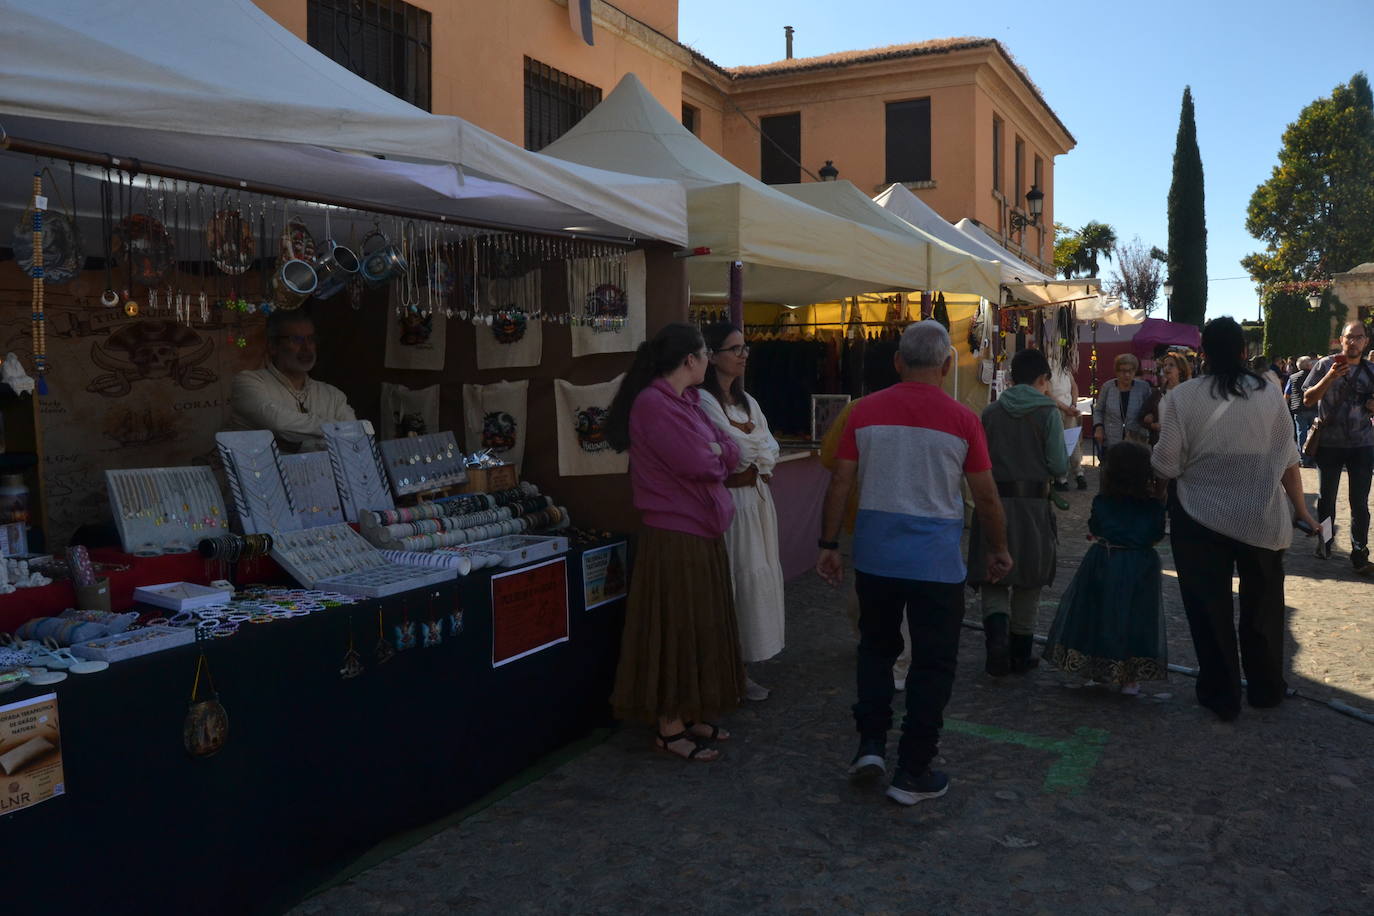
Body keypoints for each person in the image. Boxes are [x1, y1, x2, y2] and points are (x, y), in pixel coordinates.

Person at [817, 321, 1012, 806]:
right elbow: (986, 497)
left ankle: (870, 745)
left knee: (876, 651)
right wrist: (998, 548)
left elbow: (840, 482)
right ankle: (913, 768)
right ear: (947, 365)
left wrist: (827, 544)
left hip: (877, 556)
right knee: (933, 663)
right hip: (935, 563)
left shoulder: (862, 412)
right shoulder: (965, 419)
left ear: (898, 361)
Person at [1152, 317, 1318, 721]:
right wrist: (1302, 511)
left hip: (1198, 515)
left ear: (1203, 353)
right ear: (1244, 351)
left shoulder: (1181, 398)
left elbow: (1167, 465)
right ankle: (1266, 688)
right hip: (1260, 514)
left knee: (1209, 608)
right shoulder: (1269, 393)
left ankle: (1220, 691)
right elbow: (1288, 460)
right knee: (1263, 606)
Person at [605, 323, 746, 762]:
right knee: (675, 626)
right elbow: (697, 460)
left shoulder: (687, 402)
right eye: (706, 354)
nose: (710, 361)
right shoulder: (653, 405)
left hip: (699, 529)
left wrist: (717, 450)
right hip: (674, 534)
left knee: (699, 623)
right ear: (691, 359)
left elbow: (731, 449)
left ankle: (690, 710)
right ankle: (668, 726)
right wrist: (716, 452)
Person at [696, 322, 785, 702]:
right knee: (733, 581)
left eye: (745, 348)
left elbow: (770, 449)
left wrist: (752, 451)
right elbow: (736, 451)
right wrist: (752, 450)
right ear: (713, 356)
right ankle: (725, 669)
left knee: (754, 580)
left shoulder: (750, 402)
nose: (743, 354)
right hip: (731, 503)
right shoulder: (703, 402)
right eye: (735, 348)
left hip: (758, 501)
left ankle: (743, 666)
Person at [969, 348, 1067, 677]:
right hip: (1033, 507)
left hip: (993, 500)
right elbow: (1056, 463)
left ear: (1012, 376)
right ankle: (1020, 654)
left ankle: (996, 644)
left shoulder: (991, 411)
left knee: (994, 577)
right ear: (1042, 379)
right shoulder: (1047, 412)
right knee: (1029, 580)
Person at [1042, 442, 1167, 695]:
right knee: (1136, 618)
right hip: (1140, 566)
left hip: (1105, 561)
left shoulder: (1103, 502)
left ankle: (1096, 669)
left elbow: (1096, 528)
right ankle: (1130, 677)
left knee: (1097, 614)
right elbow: (1155, 535)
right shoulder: (1153, 506)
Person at [819, 398, 914, 692]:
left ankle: (875, 645)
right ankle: (897, 659)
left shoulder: (857, 410)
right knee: (904, 594)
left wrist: (829, 541)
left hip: (866, 512)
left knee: (867, 585)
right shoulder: (935, 407)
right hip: (915, 517)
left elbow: (831, 461)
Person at [1301, 321, 1374, 571]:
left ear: (1366, 341)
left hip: (1362, 445)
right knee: (1326, 499)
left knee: (1360, 502)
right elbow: (1308, 399)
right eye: (1349, 337)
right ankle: (1326, 541)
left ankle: (1359, 549)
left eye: (1359, 337)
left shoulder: (1371, 371)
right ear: (1340, 340)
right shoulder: (1324, 365)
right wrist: (1330, 377)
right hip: (1329, 445)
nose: (1353, 342)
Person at [227, 310, 356, 452]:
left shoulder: (332, 395)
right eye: (296, 340)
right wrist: (335, 430)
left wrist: (302, 445)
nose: (307, 348)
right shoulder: (248, 382)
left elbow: (354, 438)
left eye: (311, 339)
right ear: (273, 347)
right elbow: (279, 423)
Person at [1092, 353, 1151, 451]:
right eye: (1123, 371)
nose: (1127, 375)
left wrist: (1149, 416)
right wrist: (1099, 428)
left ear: (1135, 371)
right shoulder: (1108, 387)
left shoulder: (1143, 388)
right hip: (1111, 439)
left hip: (1136, 440)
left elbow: (1150, 409)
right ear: (1117, 372)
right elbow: (1098, 411)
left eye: (1130, 371)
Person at [1048, 358, 1086, 491]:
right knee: (1071, 440)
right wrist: (1072, 406)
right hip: (1066, 408)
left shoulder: (1059, 367)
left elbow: (1048, 393)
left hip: (1058, 409)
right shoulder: (1063, 366)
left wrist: (1071, 406)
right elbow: (1074, 387)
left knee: (1061, 442)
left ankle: (1062, 478)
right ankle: (1078, 473)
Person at [1140, 352, 1192, 446]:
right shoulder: (1157, 393)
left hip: (1183, 444)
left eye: (1171, 365)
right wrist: (1151, 424)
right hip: (1160, 444)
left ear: (1180, 369)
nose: (1166, 368)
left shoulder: (1188, 392)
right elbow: (1140, 417)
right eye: (1164, 365)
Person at [1285, 356, 1317, 467]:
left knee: (1301, 433)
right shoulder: (1315, 376)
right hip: (1313, 407)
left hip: (1298, 409)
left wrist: (1285, 407)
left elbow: (1287, 394)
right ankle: (1313, 457)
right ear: (1309, 365)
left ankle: (1303, 458)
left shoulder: (1292, 377)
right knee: (1315, 433)